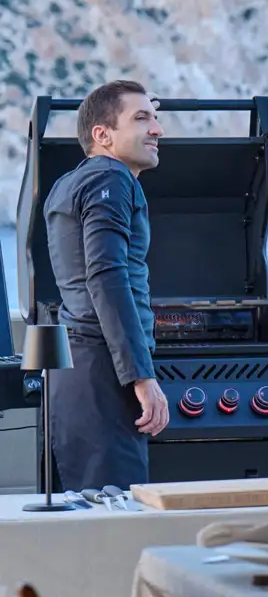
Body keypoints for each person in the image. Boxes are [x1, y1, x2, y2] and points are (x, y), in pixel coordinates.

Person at [43, 80, 171, 492]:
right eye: (142, 118)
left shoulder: (67, 183)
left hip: (76, 371)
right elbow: (106, 275)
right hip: (103, 372)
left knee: (83, 511)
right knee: (114, 512)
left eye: (155, 117)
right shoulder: (112, 179)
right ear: (102, 134)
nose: (157, 129)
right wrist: (141, 377)